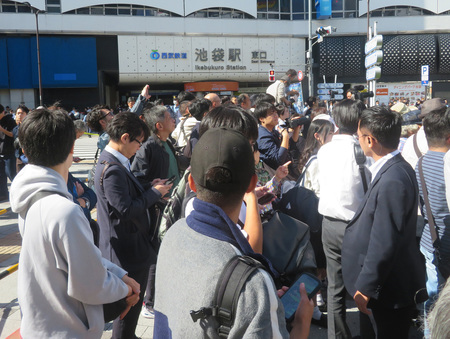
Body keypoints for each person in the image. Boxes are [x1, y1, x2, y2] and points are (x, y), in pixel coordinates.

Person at [153, 127, 314, 338]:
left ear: (191, 182)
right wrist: (302, 324)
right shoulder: (253, 280)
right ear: (252, 184)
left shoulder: (174, 234)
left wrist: (260, 299)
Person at [10, 108, 139, 338]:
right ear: (72, 148)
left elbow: (75, 260)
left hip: (40, 324)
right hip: (67, 329)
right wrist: (126, 288)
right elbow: (91, 284)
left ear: (25, 150)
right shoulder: (65, 211)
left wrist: (119, 274)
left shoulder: (28, 195)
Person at [342, 106, 427, 338]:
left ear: (370, 140)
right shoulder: (393, 168)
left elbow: (385, 240)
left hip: (386, 293)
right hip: (385, 288)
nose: (358, 141)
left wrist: (366, 288)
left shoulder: (393, 179)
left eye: (359, 137)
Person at [95, 112, 170, 339]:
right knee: (127, 308)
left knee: (131, 308)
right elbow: (125, 209)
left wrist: (149, 185)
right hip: (125, 250)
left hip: (130, 245)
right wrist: (154, 194)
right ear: (125, 137)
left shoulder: (116, 162)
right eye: (138, 142)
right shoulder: (113, 168)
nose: (140, 147)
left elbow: (127, 192)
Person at [317, 99, 372, 338]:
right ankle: (368, 333)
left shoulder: (325, 149)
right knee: (364, 283)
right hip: (357, 226)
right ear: (360, 120)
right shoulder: (362, 150)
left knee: (335, 286)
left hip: (329, 224)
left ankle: (337, 335)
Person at [415, 107, 450, 338]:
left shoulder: (419, 164)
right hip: (446, 241)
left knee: (433, 297)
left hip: (431, 241)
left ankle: (430, 333)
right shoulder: (447, 164)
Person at [0, 104, 17, 200]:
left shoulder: (10, 121)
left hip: (9, 152)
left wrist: (2, 129)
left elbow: (13, 134)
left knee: (11, 173)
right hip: (0, 152)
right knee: (1, 176)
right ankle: (3, 194)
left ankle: (17, 193)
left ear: (2, 112)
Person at [12, 104, 29, 173]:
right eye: (18, 113)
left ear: (27, 114)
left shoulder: (31, 127)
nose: (20, 115)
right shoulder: (15, 129)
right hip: (19, 156)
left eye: (22, 113)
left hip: (29, 156)